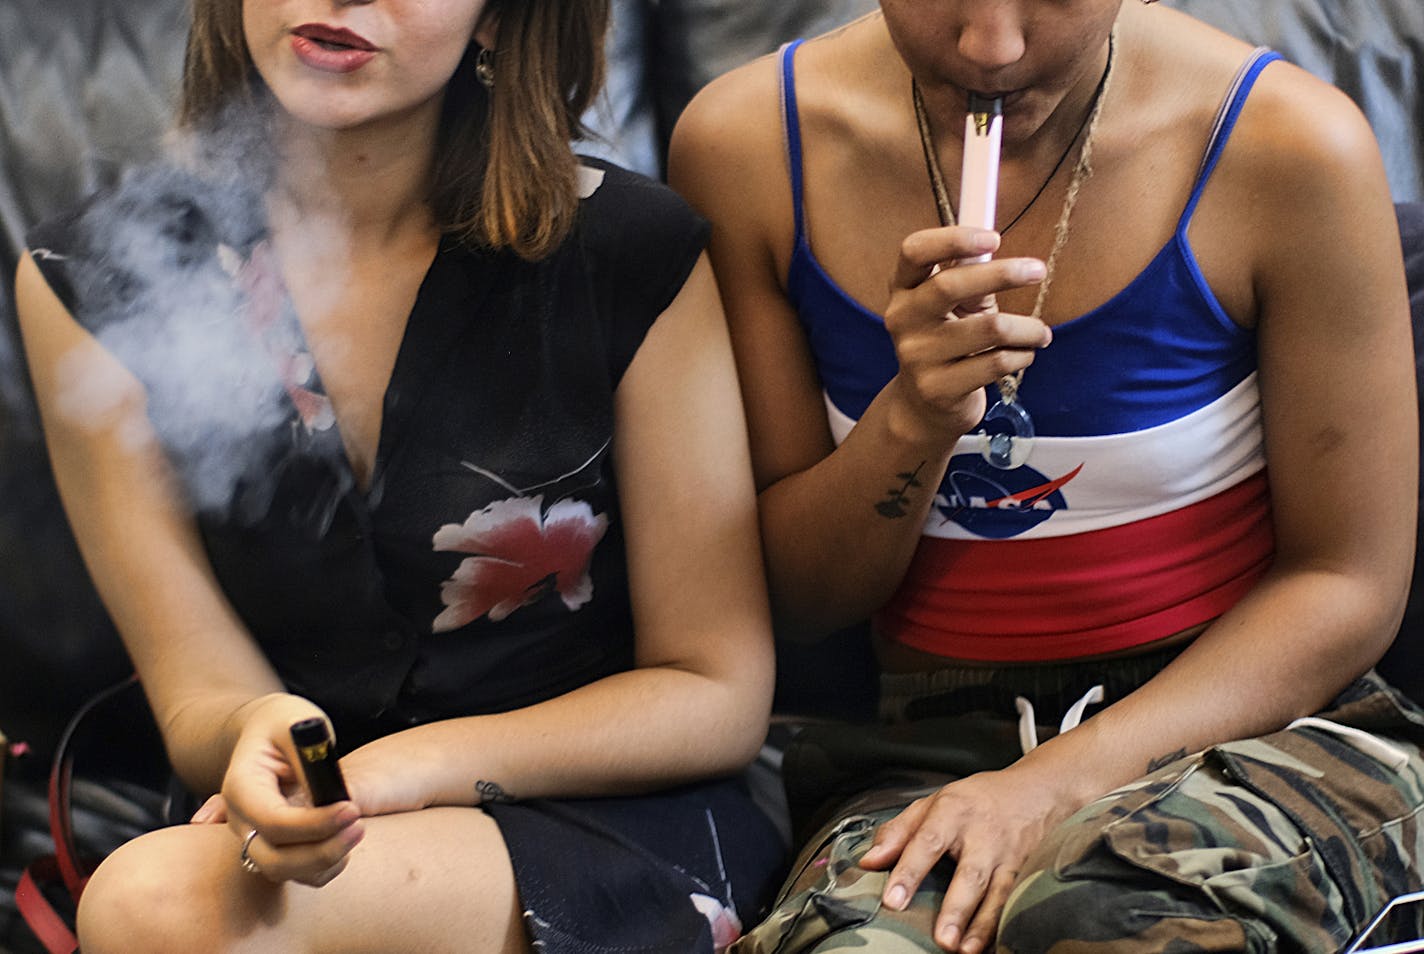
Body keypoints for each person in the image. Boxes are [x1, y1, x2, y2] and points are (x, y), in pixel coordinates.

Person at [15, 0, 787, 950]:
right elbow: (195, 684)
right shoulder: (91, 279)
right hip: (292, 835)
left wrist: (403, 773)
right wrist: (261, 728)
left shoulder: (630, 254)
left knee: (154, 908)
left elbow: (714, 686)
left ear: (501, 19)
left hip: (602, 818)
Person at [668, 0, 1424, 950]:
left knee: (1102, 915)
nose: (994, 45)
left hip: (1260, 730)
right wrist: (910, 420)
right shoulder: (748, 148)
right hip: (933, 740)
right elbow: (802, 603)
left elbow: (1349, 586)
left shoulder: (1289, 145)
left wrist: (1055, 783)